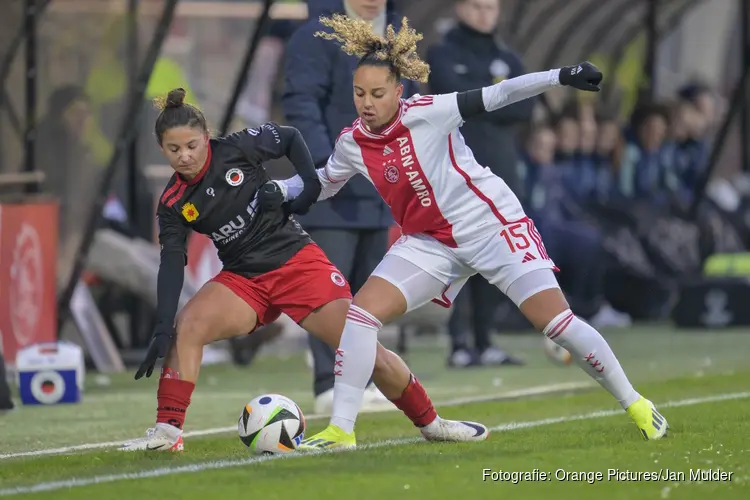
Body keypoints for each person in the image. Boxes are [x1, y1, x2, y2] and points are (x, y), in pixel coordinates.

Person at [274, 14, 669, 450]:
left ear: (399, 92)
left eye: (377, 94)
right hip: (430, 244)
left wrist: (561, 76)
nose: (366, 103)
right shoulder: (352, 142)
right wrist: (270, 190)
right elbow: (322, 182)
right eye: (359, 93)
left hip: (491, 228)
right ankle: (341, 431)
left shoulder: (429, 113)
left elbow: (500, 94)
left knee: (556, 324)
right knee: (361, 316)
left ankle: (635, 403)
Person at [119, 88, 488, 452]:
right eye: (174, 149)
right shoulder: (173, 202)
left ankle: (431, 423)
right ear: (161, 149)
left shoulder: (236, 148)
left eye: (192, 145)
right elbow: (171, 261)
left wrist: (310, 183)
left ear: (206, 138)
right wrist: (162, 325)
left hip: (298, 265)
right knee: (188, 327)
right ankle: (167, 433)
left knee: (366, 353)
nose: (185, 156)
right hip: (244, 278)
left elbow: (290, 137)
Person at [283, 0, 418, 414]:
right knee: (329, 291)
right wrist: (331, 167)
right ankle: (328, 383)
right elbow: (301, 104)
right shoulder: (315, 35)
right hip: (333, 193)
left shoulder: (400, 37)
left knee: (366, 296)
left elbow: (415, 102)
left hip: (383, 190)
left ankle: (357, 381)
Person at [427, 0, 531, 367]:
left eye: (491, 7)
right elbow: (448, 95)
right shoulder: (441, 53)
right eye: (476, 5)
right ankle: (458, 341)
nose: (484, 13)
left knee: (498, 253)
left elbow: (525, 107)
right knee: (456, 252)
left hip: (501, 170)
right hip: (455, 170)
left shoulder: (508, 57)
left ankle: (486, 339)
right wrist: (493, 93)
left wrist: (478, 97)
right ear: (459, 7)